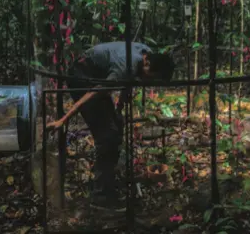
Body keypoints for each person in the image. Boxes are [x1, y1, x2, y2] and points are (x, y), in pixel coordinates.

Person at [45, 41, 175, 204]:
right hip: (82, 75)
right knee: (107, 136)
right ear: (147, 62)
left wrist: (118, 110)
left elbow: (129, 82)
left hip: (97, 74)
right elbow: (95, 92)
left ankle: (106, 180)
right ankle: (101, 196)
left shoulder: (145, 54)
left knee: (115, 128)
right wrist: (64, 119)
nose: (148, 82)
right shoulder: (125, 67)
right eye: (151, 78)